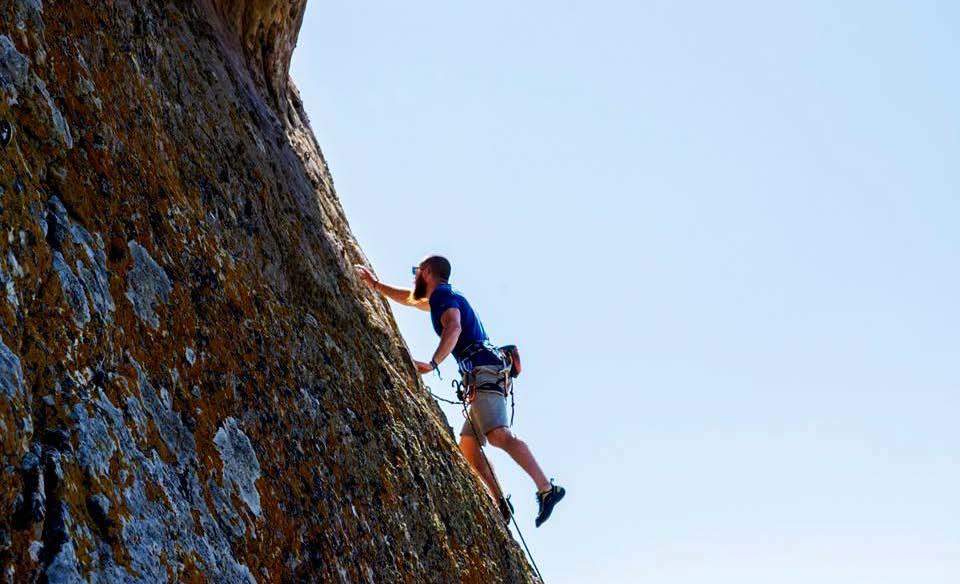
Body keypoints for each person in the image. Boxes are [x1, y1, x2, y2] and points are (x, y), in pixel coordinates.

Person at [356, 255, 565, 527]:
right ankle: (500, 502)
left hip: (485, 372)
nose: (414, 277)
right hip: (484, 374)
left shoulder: (443, 294)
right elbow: (411, 298)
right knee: (468, 444)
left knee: (498, 435)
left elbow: (453, 325)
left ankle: (547, 489)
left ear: (427, 272)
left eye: (416, 272)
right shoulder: (442, 296)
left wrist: (433, 362)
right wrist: (375, 285)